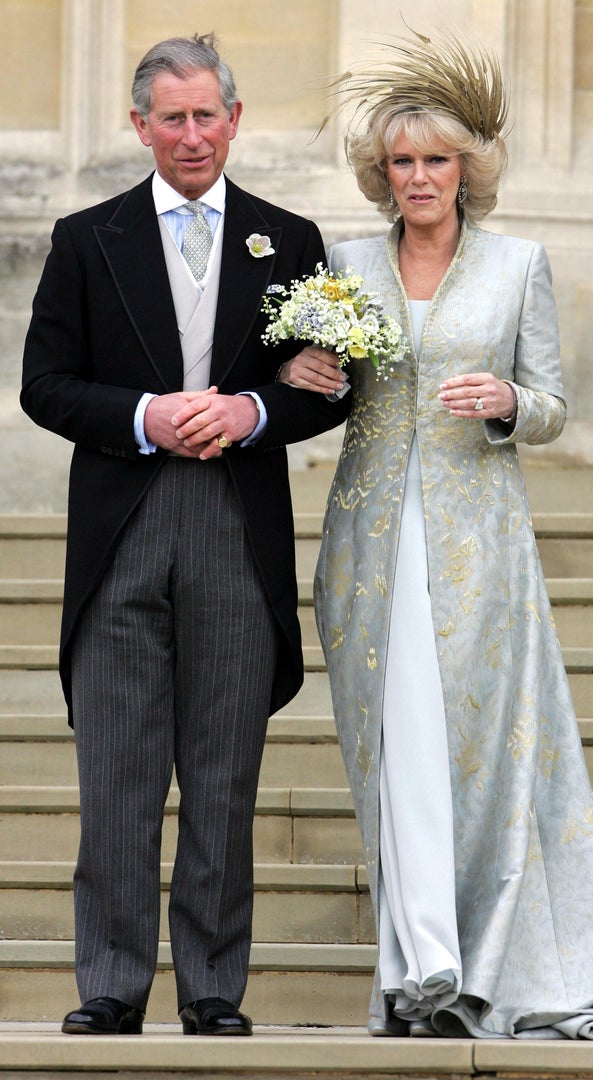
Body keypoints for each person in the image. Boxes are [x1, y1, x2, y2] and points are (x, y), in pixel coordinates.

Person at [279, 31, 593, 1040]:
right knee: (393, 750)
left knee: (471, 752)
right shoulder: (344, 264)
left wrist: (505, 398)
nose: (419, 178)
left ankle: (474, 962)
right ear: (383, 171)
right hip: (368, 548)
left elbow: (551, 403)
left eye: (437, 161)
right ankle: (418, 970)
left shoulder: (517, 265)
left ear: (468, 169)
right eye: (403, 161)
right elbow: (321, 385)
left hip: (478, 548)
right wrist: (301, 377)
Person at [20, 33, 350, 1037]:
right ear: (141, 126)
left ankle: (212, 988)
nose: (194, 134)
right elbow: (45, 384)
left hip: (232, 524)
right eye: (174, 117)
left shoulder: (288, 239)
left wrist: (253, 411)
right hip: (122, 524)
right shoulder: (87, 238)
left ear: (236, 120)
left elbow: (329, 380)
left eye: (210, 115)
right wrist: (143, 415)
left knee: (221, 770)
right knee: (116, 769)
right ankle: (112, 984)